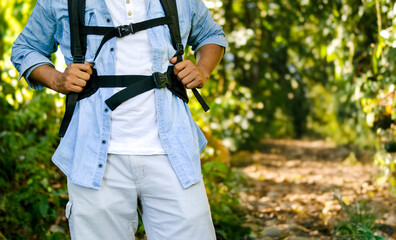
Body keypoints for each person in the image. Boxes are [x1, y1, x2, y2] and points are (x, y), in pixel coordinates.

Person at [11, 0, 227, 239]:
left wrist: (202, 69)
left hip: (173, 152)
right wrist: (56, 79)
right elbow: (26, 48)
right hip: (93, 157)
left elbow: (211, 34)